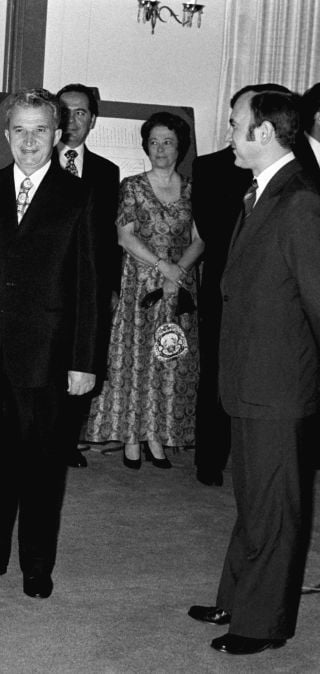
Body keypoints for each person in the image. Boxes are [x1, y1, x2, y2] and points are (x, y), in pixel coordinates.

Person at [0, 88, 100, 600]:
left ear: (58, 135)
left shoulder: (81, 196)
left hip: (49, 355)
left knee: (41, 464)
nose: (29, 141)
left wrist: (84, 360)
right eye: (19, 130)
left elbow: (90, 285)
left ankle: (36, 563)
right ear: (6, 134)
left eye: (39, 130)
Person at [188, 90, 320, 656]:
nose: (231, 132)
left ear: (264, 133)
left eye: (237, 123)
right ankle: (236, 597)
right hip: (250, 380)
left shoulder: (300, 202)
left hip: (279, 384)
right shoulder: (265, 192)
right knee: (254, 501)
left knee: (276, 508)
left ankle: (262, 624)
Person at [85, 112, 203, 470]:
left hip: (179, 285)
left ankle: (158, 436)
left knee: (169, 359)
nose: (160, 148)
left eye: (167, 141)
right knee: (136, 360)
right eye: (153, 142)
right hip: (141, 282)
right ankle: (132, 438)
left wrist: (178, 271)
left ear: (179, 146)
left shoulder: (193, 189)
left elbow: (200, 239)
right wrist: (163, 267)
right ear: (145, 147)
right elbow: (124, 236)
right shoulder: (133, 186)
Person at [192, 84, 292, 487]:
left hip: (266, 300)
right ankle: (209, 457)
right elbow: (212, 231)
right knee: (215, 374)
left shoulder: (293, 183)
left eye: (236, 122)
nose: (230, 130)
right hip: (220, 285)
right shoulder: (210, 167)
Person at [54, 83, 121, 468]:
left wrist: (110, 286)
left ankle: (66, 443)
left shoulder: (106, 172)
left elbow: (109, 237)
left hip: (88, 285)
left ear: (92, 120)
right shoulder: (37, 162)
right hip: (46, 285)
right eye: (66, 112)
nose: (73, 120)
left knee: (82, 361)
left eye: (81, 113)